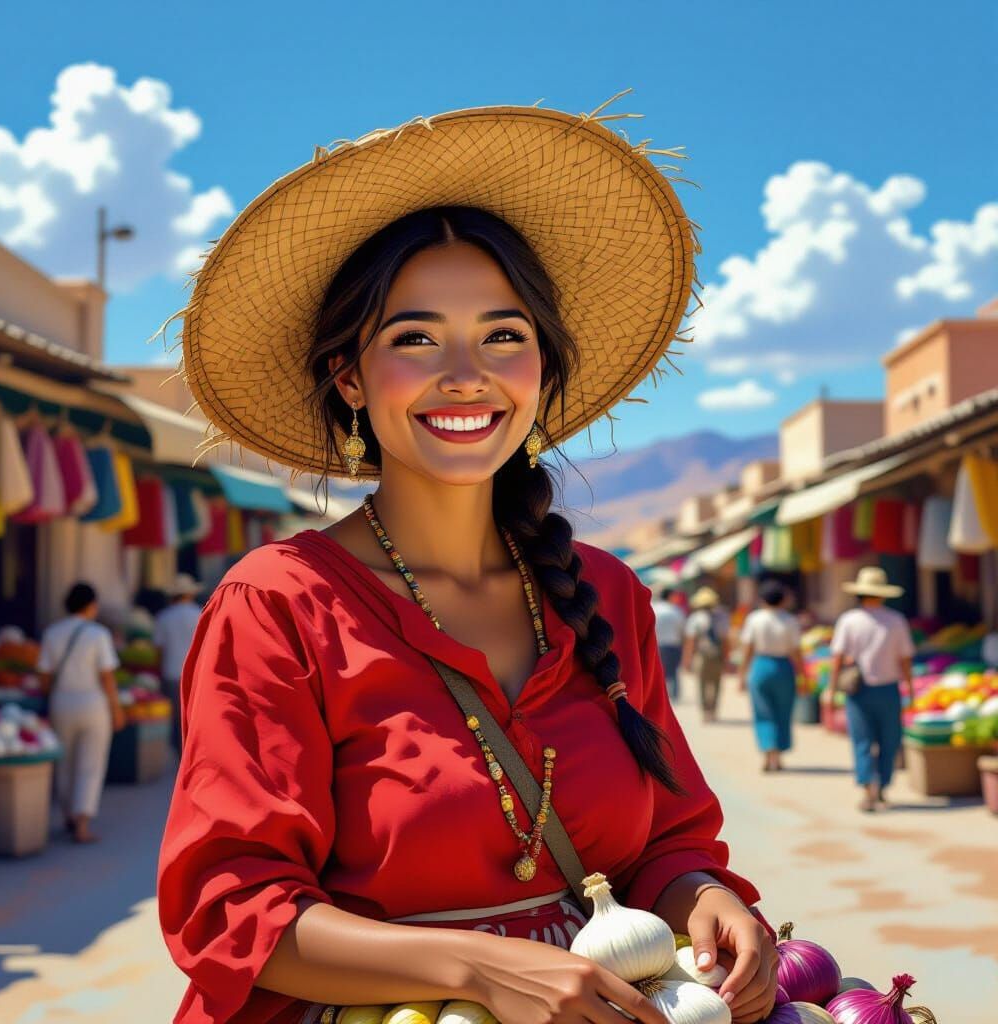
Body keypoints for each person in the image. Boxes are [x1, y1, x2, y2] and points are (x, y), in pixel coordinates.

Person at [156, 103, 780, 1024]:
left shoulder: (607, 595)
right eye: (414, 338)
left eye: (503, 334)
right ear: (351, 378)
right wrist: (477, 971)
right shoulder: (279, 604)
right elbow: (229, 912)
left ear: (541, 371)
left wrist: (706, 899)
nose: (465, 372)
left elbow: (671, 841)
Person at [36, 582, 127, 843]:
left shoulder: (52, 632)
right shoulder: (98, 634)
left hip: (61, 702)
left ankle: (67, 815)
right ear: (90, 605)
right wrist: (116, 709)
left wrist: (50, 696)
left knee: (64, 762)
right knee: (91, 763)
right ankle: (82, 822)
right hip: (93, 703)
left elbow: (43, 675)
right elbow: (107, 676)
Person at [827, 567, 915, 813]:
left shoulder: (849, 620)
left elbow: (837, 658)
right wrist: (909, 687)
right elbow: (905, 659)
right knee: (889, 740)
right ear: (883, 594)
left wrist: (832, 691)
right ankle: (883, 788)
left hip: (858, 691)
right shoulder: (896, 621)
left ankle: (868, 790)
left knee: (862, 740)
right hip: (888, 690)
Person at [736, 580, 804, 773]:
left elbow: (748, 649)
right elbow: (796, 651)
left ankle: (768, 753)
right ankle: (778, 756)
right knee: (783, 712)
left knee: (763, 712)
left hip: (760, 667)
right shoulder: (790, 620)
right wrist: (803, 676)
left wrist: (742, 675)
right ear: (782, 599)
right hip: (784, 668)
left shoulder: (755, 619)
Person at [152, 573, 204, 758]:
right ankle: (192, 752)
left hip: (171, 672)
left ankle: (179, 752)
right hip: (197, 672)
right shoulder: (200, 614)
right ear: (190, 594)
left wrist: (158, 671)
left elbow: (159, 650)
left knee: (175, 718)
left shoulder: (164, 617)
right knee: (194, 715)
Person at [682, 587, 731, 723]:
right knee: (715, 684)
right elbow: (725, 641)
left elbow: (691, 642)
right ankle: (711, 710)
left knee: (703, 685)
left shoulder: (695, 618)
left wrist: (687, 660)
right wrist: (727, 660)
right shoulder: (721, 617)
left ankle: (706, 711)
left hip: (702, 656)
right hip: (716, 656)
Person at [651, 585, 685, 701]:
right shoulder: (676, 610)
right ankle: (674, 696)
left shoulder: (653, 609)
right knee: (674, 670)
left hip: (657, 644)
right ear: (670, 596)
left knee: (658, 671)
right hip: (674, 644)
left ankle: (659, 696)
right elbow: (682, 630)